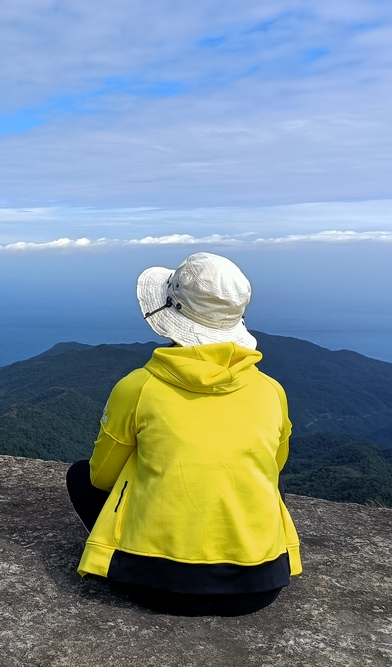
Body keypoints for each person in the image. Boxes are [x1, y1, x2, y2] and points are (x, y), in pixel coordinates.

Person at [67, 252, 301, 616]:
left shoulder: (138, 387)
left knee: (80, 475)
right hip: (258, 587)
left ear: (169, 314)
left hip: (154, 585)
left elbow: (101, 477)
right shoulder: (271, 391)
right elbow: (276, 466)